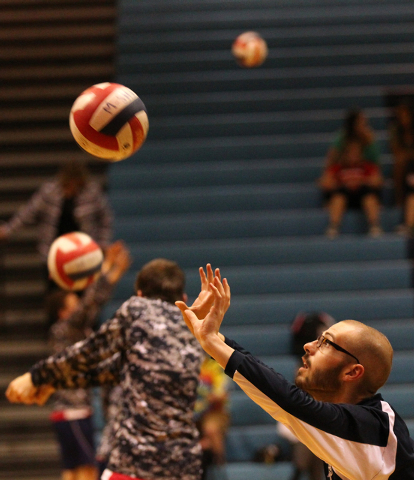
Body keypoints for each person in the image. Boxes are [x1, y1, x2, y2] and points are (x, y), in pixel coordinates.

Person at [175, 266, 414, 480]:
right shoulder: (360, 424)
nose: (308, 346)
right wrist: (213, 336)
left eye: (325, 343)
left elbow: (288, 401)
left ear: (353, 372)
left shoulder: (373, 427)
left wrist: (211, 342)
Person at [6, 258, 206, 480]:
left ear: (139, 295)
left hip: (136, 464)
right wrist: (55, 383)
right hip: (185, 467)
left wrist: (38, 376)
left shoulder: (138, 309)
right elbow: (112, 371)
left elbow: (91, 352)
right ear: (184, 299)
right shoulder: (194, 332)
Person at [45, 240, 131, 480]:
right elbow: (92, 300)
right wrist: (109, 269)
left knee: (72, 472)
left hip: (66, 411)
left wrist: (111, 270)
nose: (79, 308)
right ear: (63, 312)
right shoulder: (67, 328)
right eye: (73, 305)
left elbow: (90, 304)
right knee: (87, 471)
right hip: (74, 411)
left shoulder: (66, 331)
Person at [0, 160, 113, 280]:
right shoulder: (49, 192)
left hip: (84, 255)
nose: (71, 189)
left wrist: (101, 244)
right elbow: (28, 213)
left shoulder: (92, 193)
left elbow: (105, 219)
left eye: (75, 185)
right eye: (68, 185)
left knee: (82, 292)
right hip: (53, 254)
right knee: (55, 295)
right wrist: (7, 230)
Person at [319, 139, 384, 238]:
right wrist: (343, 183)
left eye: (356, 152)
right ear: (345, 154)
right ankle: (333, 227)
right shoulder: (338, 167)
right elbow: (325, 183)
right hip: (344, 194)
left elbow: (378, 181)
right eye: (351, 152)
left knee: (370, 197)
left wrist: (360, 181)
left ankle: (374, 226)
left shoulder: (367, 167)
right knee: (338, 198)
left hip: (362, 193)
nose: (353, 155)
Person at [194, 355, 230, 480]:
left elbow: (222, 394)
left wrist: (210, 398)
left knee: (211, 429)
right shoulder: (184, 366)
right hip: (188, 414)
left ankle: (220, 465)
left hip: (213, 412)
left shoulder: (214, 366)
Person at [389, 102, 414, 206]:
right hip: (405, 163)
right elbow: (396, 152)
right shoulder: (395, 130)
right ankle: (399, 200)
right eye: (401, 115)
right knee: (398, 165)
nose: (403, 118)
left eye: (405, 115)